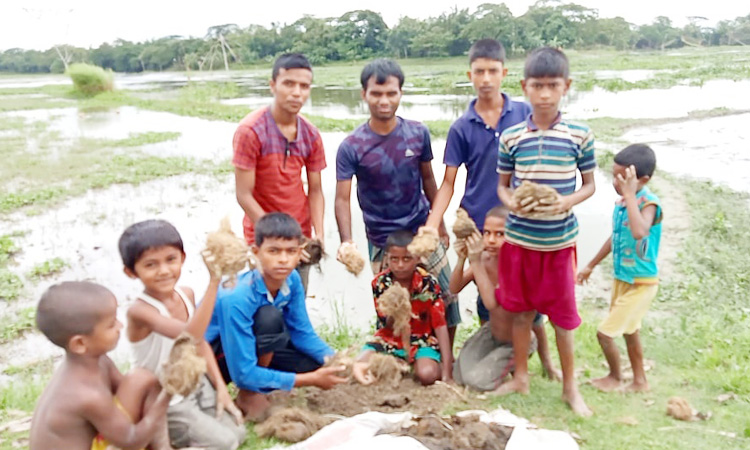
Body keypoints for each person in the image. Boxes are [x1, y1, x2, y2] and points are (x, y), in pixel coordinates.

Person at [494, 47, 596, 416]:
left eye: (553, 85)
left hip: (558, 244)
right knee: (521, 313)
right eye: (537, 85)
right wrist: (511, 202)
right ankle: (521, 377)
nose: (545, 93)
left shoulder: (579, 135)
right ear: (524, 86)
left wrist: (566, 201)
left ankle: (570, 388)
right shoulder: (510, 136)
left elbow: (589, 186)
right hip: (519, 242)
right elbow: (502, 186)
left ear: (566, 86)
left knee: (562, 319)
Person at [334, 58, 460, 344]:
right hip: (382, 240)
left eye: (391, 93)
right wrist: (346, 240)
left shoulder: (417, 133)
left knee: (447, 295)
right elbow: (342, 199)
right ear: (363, 94)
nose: (384, 100)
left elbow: (429, 180)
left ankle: (444, 355)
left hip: (420, 231)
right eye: (376, 93)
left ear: (401, 93)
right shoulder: (352, 146)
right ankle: (400, 353)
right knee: (393, 306)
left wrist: (437, 224)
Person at [423, 38, 531, 323]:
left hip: (520, 222)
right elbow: (448, 182)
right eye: (479, 72)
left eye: (493, 71)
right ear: (469, 75)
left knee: (526, 293)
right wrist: (432, 226)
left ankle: (532, 356)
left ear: (504, 73)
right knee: (487, 295)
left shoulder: (525, 114)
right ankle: (491, 346)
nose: (486, 79)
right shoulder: (461, 127)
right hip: (479, 225)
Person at [206, 213, 347, 421]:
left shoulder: (292, 280)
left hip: (249, 347)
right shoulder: (237, 296)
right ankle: (249, 393)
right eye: (273, 251)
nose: (283, 259)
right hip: (215, 359)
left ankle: (263, 382)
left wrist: (339, 362)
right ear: (256, 252)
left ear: (300, 253)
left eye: (291, 252)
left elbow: (302, 333)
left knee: (312, 362)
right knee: (269, 318)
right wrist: (309, 380)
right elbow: (242, 372)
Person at [119, 219, 246, 449]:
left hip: (196, 384)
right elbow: (190, 335)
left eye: (171, 260)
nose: (164, 271)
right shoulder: (140, 311)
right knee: (226, 444)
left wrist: (220, 388)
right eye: (151, 265)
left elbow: (200, 345)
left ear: (183, 258)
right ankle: (158, 438)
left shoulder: (185, 293)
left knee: (238, 432)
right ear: (131, 272)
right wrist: (214, 281)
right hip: (166, 398)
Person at [29, 281, 173, 450]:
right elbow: (132, 440)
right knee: (147, 388)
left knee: (142, 379)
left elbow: (134, 392)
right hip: (128, 440)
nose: (120, 326)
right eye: (111, 324)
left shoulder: (96, 361)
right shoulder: (87, 395)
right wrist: (167, 395)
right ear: (80, 343)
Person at [233, 53, 325, 290]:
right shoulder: (251, 131)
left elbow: (315, 190)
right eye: (289, 84)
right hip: (263, 235)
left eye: (304, 86)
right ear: (273, 85)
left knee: (296, 302)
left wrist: (319, 235)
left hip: (300, 235)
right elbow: (244, 195)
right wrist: (275, 237)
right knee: (266, 313)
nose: (297, 92)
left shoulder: (311, 134)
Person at [577, 144, 662, 393]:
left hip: (641, 283)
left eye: (622, 177)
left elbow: (639, 231)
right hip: (622, 278)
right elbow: (615, 237)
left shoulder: (649, 204)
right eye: (613, 175)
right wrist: (590, 265)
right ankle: (640, 381)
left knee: (605, 333)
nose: (616, 182)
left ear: (642, 180)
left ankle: (615, 377)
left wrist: (629, 196)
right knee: (630, 331)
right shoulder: (623, 203)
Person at [450, 207, 560, 391]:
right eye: (487, 233)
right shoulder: (485, 259)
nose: (491, 240)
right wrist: (462, 259)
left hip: (515, 341)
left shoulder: (518, 265)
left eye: (500, 234)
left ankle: (515, 367)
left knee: (476, 382)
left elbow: (490, 303)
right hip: (491, 333)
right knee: (458, 374)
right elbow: (454, 288)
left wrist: (475, 261)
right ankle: (498, 364)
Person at [352, 230, 453, 386]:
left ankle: (414, 363)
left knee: (428, 375)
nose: (400, 265)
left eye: (406, 259)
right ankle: (399, 362)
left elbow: (440, 325)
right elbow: (386, 324)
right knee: (361, 363)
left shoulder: (428, 283)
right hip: (389, 338)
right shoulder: (380, 283)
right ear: (387, 259)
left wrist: (447, 373)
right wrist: (396, 309)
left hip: (421, 339)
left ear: (417, 258)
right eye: (394, 259)